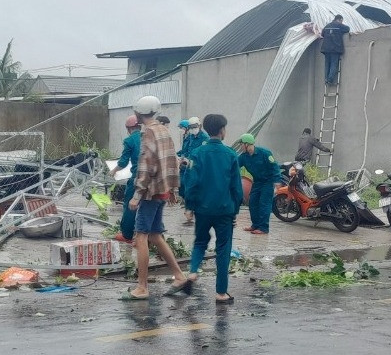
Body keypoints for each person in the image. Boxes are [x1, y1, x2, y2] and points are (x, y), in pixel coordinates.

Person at [121, 95, 190, 300]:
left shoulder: (149, 132)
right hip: (163, 191)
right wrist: (172, 191)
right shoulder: (164, 130)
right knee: (155, 235)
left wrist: (137, 195)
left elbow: (146, 167)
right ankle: (179, 276)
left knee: (140, 237)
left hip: (150, 192)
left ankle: (142, 287)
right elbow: (172, 161)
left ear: (138, 113)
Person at [184, 114, 243, 304]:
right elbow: (236, 188)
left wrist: (190, 206)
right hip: (224, 210)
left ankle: (193, 271)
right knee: (223, 249)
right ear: (222, 130)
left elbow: (191, 182)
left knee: (200, 241)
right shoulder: (231, 155)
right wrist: (235, 211)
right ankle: (221, 292)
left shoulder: (197, 154)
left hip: (202, 208)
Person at [237, 133, 282, 234]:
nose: (240, 147)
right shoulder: (243, 157)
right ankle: (255, 225)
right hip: (257, 182)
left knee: (264, 204)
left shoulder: (265, 153)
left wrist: (277, 181)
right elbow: (234, 166)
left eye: (241, 144)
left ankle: (263, 228)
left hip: (268, 182)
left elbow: (274, 167)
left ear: (247, 144)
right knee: (252, 202)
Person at [108, 115, 141, 243]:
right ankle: (149, 235)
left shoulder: (129, 140)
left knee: (130, 205)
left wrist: (113, 171)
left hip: (137, 176)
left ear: (128, 128)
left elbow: (123, 162)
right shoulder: (147, 137)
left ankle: (127, 235)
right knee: (148, 205)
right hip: (151, 177)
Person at [320, 14, 350, 85]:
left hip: (326, 48)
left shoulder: (327, 26)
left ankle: (326, 79)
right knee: (334, 64)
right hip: (335, 48)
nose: (342, 22)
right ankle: (330, 80)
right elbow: (347, 29)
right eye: (341, 21)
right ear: (340, 19)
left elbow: (322, 33)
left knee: (327, 64)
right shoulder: (339, 25)